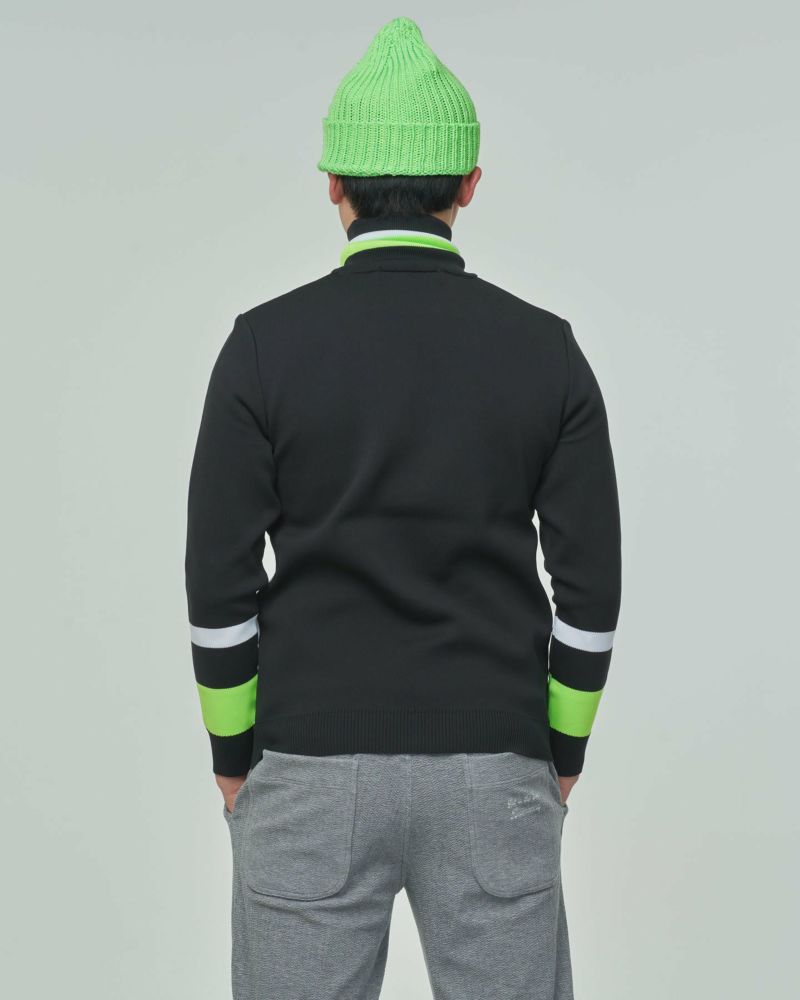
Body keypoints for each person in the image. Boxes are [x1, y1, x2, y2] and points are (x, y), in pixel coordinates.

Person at [184, 16, 621, 1000]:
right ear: (468, 184)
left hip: (306, 759)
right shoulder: (545, 351)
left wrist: (232, 752)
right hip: (494, 763)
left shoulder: (261, 349)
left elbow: (216, 584)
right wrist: (558, 751)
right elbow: (591, 591)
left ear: (332, 185)